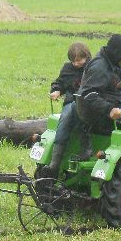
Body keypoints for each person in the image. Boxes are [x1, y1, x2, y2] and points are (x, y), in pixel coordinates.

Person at [45, 41, 93, 174]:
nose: (77, 63)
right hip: (72, 102)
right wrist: (57, 90)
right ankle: (55, 162)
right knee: (65, 117)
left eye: (80, 60)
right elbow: (60, 83)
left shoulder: (92, 68)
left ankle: (86, 149)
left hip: (89, 104)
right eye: (74, 61)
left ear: (87, 56)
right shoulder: (68, 69)